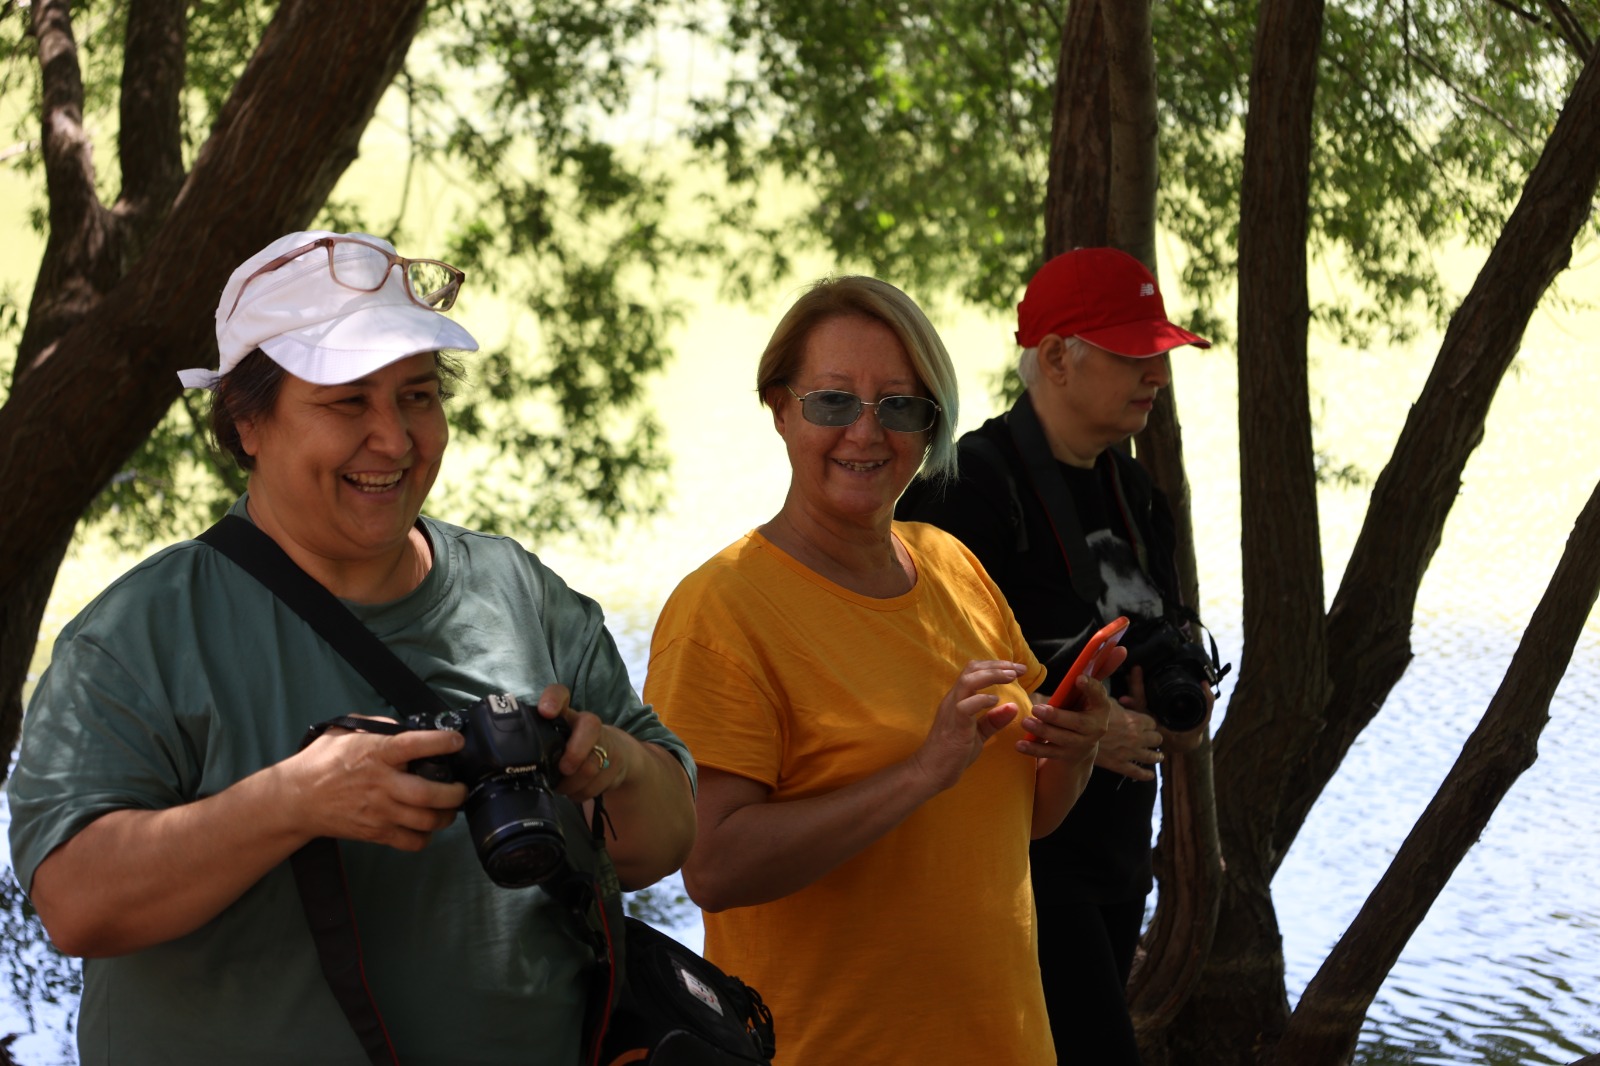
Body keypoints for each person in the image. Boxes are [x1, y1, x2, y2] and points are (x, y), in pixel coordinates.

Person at [5, 231, 697, 1066]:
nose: (396, 439)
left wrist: (604, 765)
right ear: (246, 420)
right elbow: (75, 902)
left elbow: (665, 841)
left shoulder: (518, 592)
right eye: (347, 401)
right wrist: (292, 803)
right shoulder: (139, 635)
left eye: (417, 396)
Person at [640, 275, 1119, 1065]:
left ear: (932, 427)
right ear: (780, 408)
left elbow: (1023, 819)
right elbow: (713, 867)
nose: (866, 432)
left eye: (901, 406)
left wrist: (1076, 743)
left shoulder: (952, 564)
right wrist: (918, 772)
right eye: (834, 402)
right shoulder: (721, 611)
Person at [896, 246, 1217, 1064]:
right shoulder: (968, 487)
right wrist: (1083, 727)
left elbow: (1162, 635)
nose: (1156, 375)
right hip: (1018, 863)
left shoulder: (1139, 494)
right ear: (1055, 357)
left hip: (1116, 853)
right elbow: (920, 681)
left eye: (1161, 355)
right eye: (1133, 355)